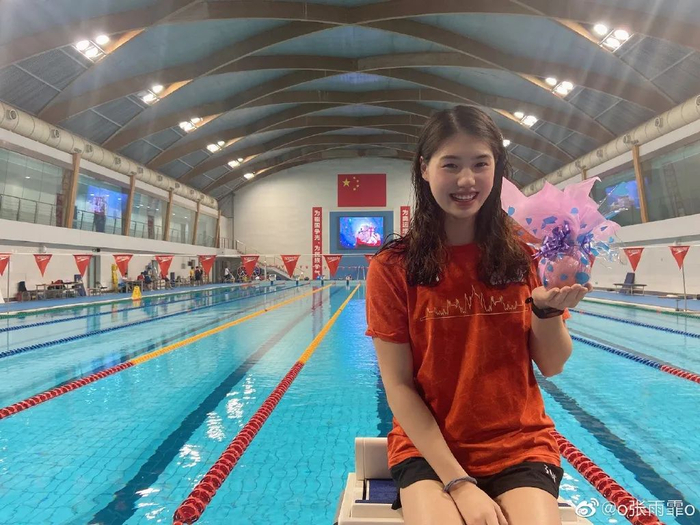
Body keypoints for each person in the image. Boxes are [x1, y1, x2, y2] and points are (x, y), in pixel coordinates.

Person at [365, 106, 590, 525]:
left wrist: (547, 311)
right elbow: (398, 385)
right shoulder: (393, 267)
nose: (466, 180)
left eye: (480, 164)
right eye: (451, 165)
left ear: (498, 169)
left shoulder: (529, 255)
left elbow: (553, 364)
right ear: (425, 169)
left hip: (519, 445)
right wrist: (459, 482)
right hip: (428, 451)